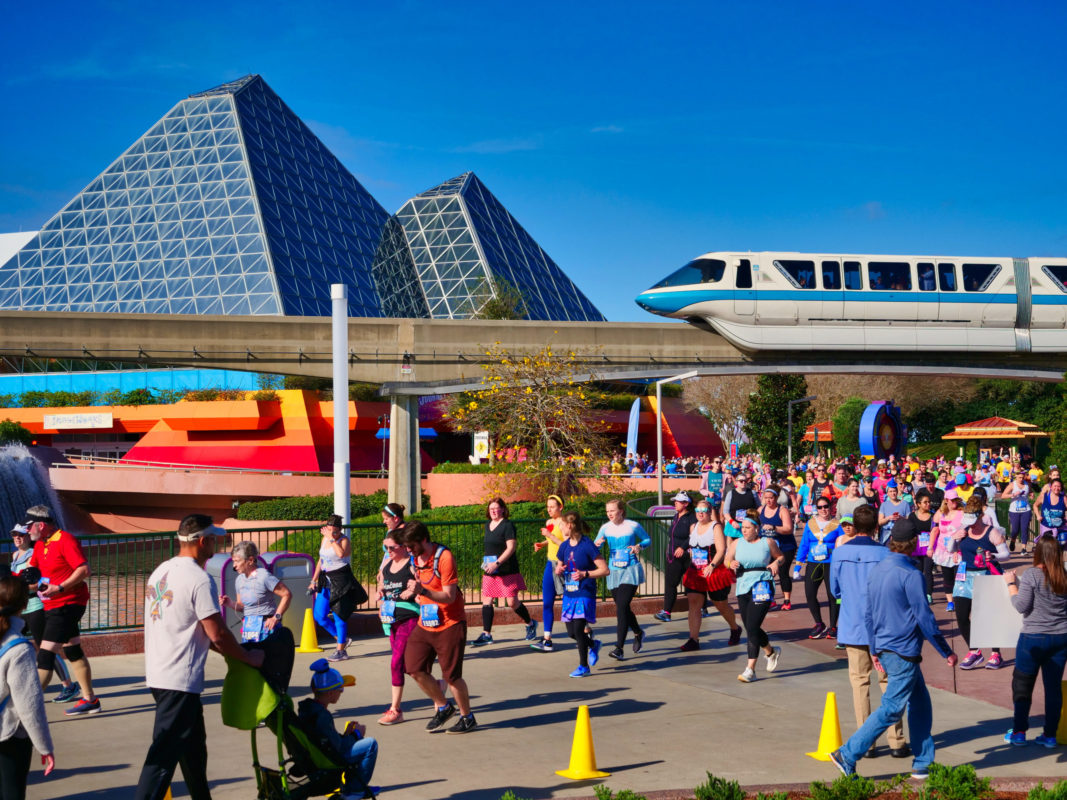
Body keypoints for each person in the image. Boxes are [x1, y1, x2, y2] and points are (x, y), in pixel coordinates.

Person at [134, 514, 264, 800]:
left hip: (159, 673)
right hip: (178, 679)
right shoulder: (200, 579)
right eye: (215, 540)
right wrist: (247, 657)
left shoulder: (160, 571)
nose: (218, 545)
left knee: (193, 750)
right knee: (162, 757)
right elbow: (216, 633)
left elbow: (195, 630)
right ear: (202, 541)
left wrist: (231, 650)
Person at [829, 517, 958, 780]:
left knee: (920, 703)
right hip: (903, 651)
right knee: (892, 707)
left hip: (887, 647)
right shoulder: (911, 575)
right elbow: (925, 618)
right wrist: (946, 650)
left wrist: (874, 648)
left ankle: (923, 762)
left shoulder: (879, 569)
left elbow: (868, 613)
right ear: (913, 544)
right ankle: (848, 753)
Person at [829, 505, 909, 759]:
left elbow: (835, 590)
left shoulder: (840, 553)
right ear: (876, 526)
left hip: (853, 624)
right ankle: (896, 740)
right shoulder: (885, 554)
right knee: (888, 682)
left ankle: (867, 743)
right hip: (884, 627)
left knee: (859, 682)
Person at [22, 505, 99, 715]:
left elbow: (85, 570)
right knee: (72, 649)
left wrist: (60, 587)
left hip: (69, 603)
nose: (27, 531)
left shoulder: (65, 540)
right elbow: (32, 574)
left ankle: (26, 711)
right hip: (52, 605)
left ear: (41, 525)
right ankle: (90, 700)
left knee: (45, 656)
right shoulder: (40, 545)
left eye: (29, 526)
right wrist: (17, 584)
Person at [402, 521, 477, 734]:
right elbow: (421, 583)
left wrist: (423, 591)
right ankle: (443, 707)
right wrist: (416, 593)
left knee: (452, 676)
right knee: (413, 668)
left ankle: (467, 717)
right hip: (425, 622)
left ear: (423, 540)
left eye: (411, 546)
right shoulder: (415, 558)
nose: (408, 550)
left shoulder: (444, 558)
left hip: (450, 623)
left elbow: (449, 596)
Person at [1003, 537, 1067, 746]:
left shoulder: (1032, 574)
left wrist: (1011, 585)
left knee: (1022, 685)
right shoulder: (1064, 576)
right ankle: (1050, 735)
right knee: (1053, 688)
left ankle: (1019, 732)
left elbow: (1021, 606)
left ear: (1038, 552)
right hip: (1060, 637)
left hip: (1033, 638)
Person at [9, 525, 79, 703]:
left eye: (21, 535)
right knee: (9, 643)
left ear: (28, 537)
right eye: (14, 535)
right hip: (20, 608)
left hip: (35, 607)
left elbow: (39, 582)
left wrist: (17, 588)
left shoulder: (33, 555)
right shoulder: (15, 556)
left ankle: (68, 685)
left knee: (45, 648)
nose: (17, 538)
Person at [0, 572, 54, 800]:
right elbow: (29, 706)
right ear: (24, 605)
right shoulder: (19, 649)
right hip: (8, 735)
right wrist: (45, 746)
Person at [219, 540, 294, 693]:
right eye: (233, 561)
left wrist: (276, 617)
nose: (234, 566)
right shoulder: (239, 579)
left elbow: (287, 594)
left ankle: (273, 694)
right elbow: (242, 607)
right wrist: (230, 604)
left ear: (251, 560)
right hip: (249, 627)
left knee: (266, 665)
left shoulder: (264, 576)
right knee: (250, 664)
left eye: (237, 561)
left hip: (266, 626)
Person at [298, 660, 378, 797]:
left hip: (315, 757)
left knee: (358, 743)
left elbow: (327, 740)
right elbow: (337, 748)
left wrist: (346, 735)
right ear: (330, 693)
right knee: (370, 744)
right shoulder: (322, 715)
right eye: (340, 690)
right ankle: (355, 789)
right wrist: (356, 735)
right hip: (327, 761)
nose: (341, 692)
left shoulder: (308, 710)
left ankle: (352, 786)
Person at [948, 496, 1010, 671]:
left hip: (986, 575)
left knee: (987, 617)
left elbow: (1006, 555)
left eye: (973, 521)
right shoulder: (964, 529)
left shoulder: (992, 532)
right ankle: (974, 650)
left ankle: (996, 654)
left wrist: (994, 556)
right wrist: (954, 537)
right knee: (961, 615)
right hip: (965, 577)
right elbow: (951, 549)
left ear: (980, 516)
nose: (970, 525)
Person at [726, 510, 783, 683]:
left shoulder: (768, 542)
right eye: (742, 527)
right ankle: (771, 652)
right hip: (743, 585)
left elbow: (781, 556)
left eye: (748, 528)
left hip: (762, 585)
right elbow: (726, 560)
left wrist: (775, 562)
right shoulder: (736, 543)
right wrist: (731, 563)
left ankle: (750, 669)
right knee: (751, 627)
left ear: (756, 529)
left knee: (751, 626)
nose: (744, 530)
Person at [471, 498, 535, 647]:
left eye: (496, 508)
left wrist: (497, 563)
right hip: (490, 570)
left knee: (512, 602)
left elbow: (511, 548)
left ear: (503, 509)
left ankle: (530, 623)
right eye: (491, 508)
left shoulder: (507, 525)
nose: (493, 511)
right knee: (487, 600)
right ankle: (487, 634)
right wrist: (488, 564)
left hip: (507, 569)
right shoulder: (488, 525)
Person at [679, 500, 741, 651]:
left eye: (704, 510)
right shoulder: (693, 526)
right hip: (696, 572)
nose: (700, 513)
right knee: (694, 604)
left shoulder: (716, 526)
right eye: (698, 510)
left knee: (720, 604)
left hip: (714, 571)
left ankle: (735, 628)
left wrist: (712, 565)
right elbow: (693, 547)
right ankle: (693, 639)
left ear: (709, 512)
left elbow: (721, 550)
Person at [593, 499, 650, 660]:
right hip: (614, 571)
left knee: (622, 607)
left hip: (630, 570)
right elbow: (594, 546)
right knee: (622, 607)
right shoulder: (605, 528)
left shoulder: (632, 525)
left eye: (612, 510)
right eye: (607, 511)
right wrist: (596, 544)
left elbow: (647, 540)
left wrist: (639, 547)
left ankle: (619, 648)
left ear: (621, 511)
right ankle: (638, 632)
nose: (610, 514)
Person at [374, 528, 420, 726]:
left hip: (409, 617)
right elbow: (382, 585)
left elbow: (422, 584)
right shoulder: (387, 565)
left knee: (396, 662)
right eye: (386, 547)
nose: (388, 551)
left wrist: (412, 591)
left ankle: (395, 709)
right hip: (391, 618)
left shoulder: (411, 565)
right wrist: (380, 596)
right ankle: (437, 686)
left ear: (402, 547)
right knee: (407, 666)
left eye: (391, 547)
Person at [555, 511, 609, 678]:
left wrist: (585, 574)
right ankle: (593, 644)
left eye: (562, 524)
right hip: (569, 594)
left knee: (579, 630)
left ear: (570, 526)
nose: (560, 527)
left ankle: (583, 666)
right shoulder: (564, 546)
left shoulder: (587, 545)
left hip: (585, 592)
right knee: (572, 633)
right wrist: (559, 570)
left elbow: (605, 570)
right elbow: (559, 566)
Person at [308, 514, 359, 662]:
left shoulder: (343, 540)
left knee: (339, 615)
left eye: (334, 531)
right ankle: (341, 639)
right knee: (319, 615)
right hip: (326, 580)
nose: (331, 533)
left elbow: (341, 554)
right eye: (329, 530)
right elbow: (321, 560)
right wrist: (314, 579)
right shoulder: (325, 538)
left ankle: (341, 651)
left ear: (339, 530)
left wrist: (332, 538)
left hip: (340, 581)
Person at [795, 497, 842, 639]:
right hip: (813, 562)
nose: (823, 510)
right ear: (817, 508)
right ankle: (819, 623)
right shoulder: (810, 524)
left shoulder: (837, 524)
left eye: (826, 506)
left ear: (830, 507)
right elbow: (804, 545)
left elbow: (842, 544)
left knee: (833, 595)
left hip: (830, 563)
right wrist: (798, 566)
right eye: (820, 507)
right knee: (809, 594)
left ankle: (833, 626)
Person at [653, 492, 696, 623]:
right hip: (673, 556)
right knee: (671, 583)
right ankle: (666, 612)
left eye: (678, 501)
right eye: (675, 501)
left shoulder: (691, 518)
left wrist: (683, 547)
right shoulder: (676, 516)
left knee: (692, 583)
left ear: (686, 504)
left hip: (686, 556)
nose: (675, 503)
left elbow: (693, 536)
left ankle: (701, 608)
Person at [531, 495, 566, 652]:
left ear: (561, 507)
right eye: (548, 507)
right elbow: (553, 540)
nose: (549, 509)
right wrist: (542, 543)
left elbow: (566, 544)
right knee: (547, 602)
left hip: (564, 566)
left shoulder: (564, 523)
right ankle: (547, 639)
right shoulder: (549, 522)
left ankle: (585, 631)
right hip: (550, 564)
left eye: (552, 506)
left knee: (569, 602)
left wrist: (549, 536)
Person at [759, 485, 796, 610]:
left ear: (776, 498)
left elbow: (789, 529)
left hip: (785, 546)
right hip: (768, 547)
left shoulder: (782, 510)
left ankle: (786, 600)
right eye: (766, 498)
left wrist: (774, 527)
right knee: (768, 573)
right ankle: (771, 600)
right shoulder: (760, 510)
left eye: (771, 498)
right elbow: (755, 526)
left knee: (783, 572)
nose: (768, 501)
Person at [930, 489, 964, 611]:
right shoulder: (940, 513)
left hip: (958, 551)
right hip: (943, 550)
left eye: (956, 499)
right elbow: (934, 530)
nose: (954, 502)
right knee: (947, 577)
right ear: (946, 501)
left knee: (959, 577)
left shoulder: (962, 513)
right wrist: (930, 547)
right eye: (952, 500)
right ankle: (950, 602)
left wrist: (957, 548)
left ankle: (960, 600)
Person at [908, 490, 937, 603]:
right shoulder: (912, 516)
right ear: (918, 504)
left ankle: (929, 594)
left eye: (929, 502)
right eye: (925, 502)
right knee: (918, 571)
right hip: (916, 546)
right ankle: (918, 593)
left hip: (929, 545)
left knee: (928, 570)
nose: (928, 504)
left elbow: (936, 530)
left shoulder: (933, 516)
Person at [1004, 470, 1034, 553]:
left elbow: (1030, 491)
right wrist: (1013, 495)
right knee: (1015, 530)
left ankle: (1024, 548)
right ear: (1016, 477)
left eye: (1022, 477)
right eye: (1019, 477)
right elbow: (1003, 495)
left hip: (1026, 509)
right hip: (1014, 510)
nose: (1021, 479)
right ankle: (1013, 540)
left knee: (1024, 529)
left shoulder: (1027, 484)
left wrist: (1031, 494)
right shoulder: (1012, 485)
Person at [1035, 478, 1067, 544]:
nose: (1057, 488)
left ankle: (1059, 553)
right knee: (1048, 545)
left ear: (1061, 488)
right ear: (1051, 487)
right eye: (1055, 486)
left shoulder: (1063, 498)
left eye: (1059, 486)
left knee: (1062, 541)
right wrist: (1038, 515)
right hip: (1047, 527)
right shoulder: (1044, 496)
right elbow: (1035, 505)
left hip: (1060, 527)